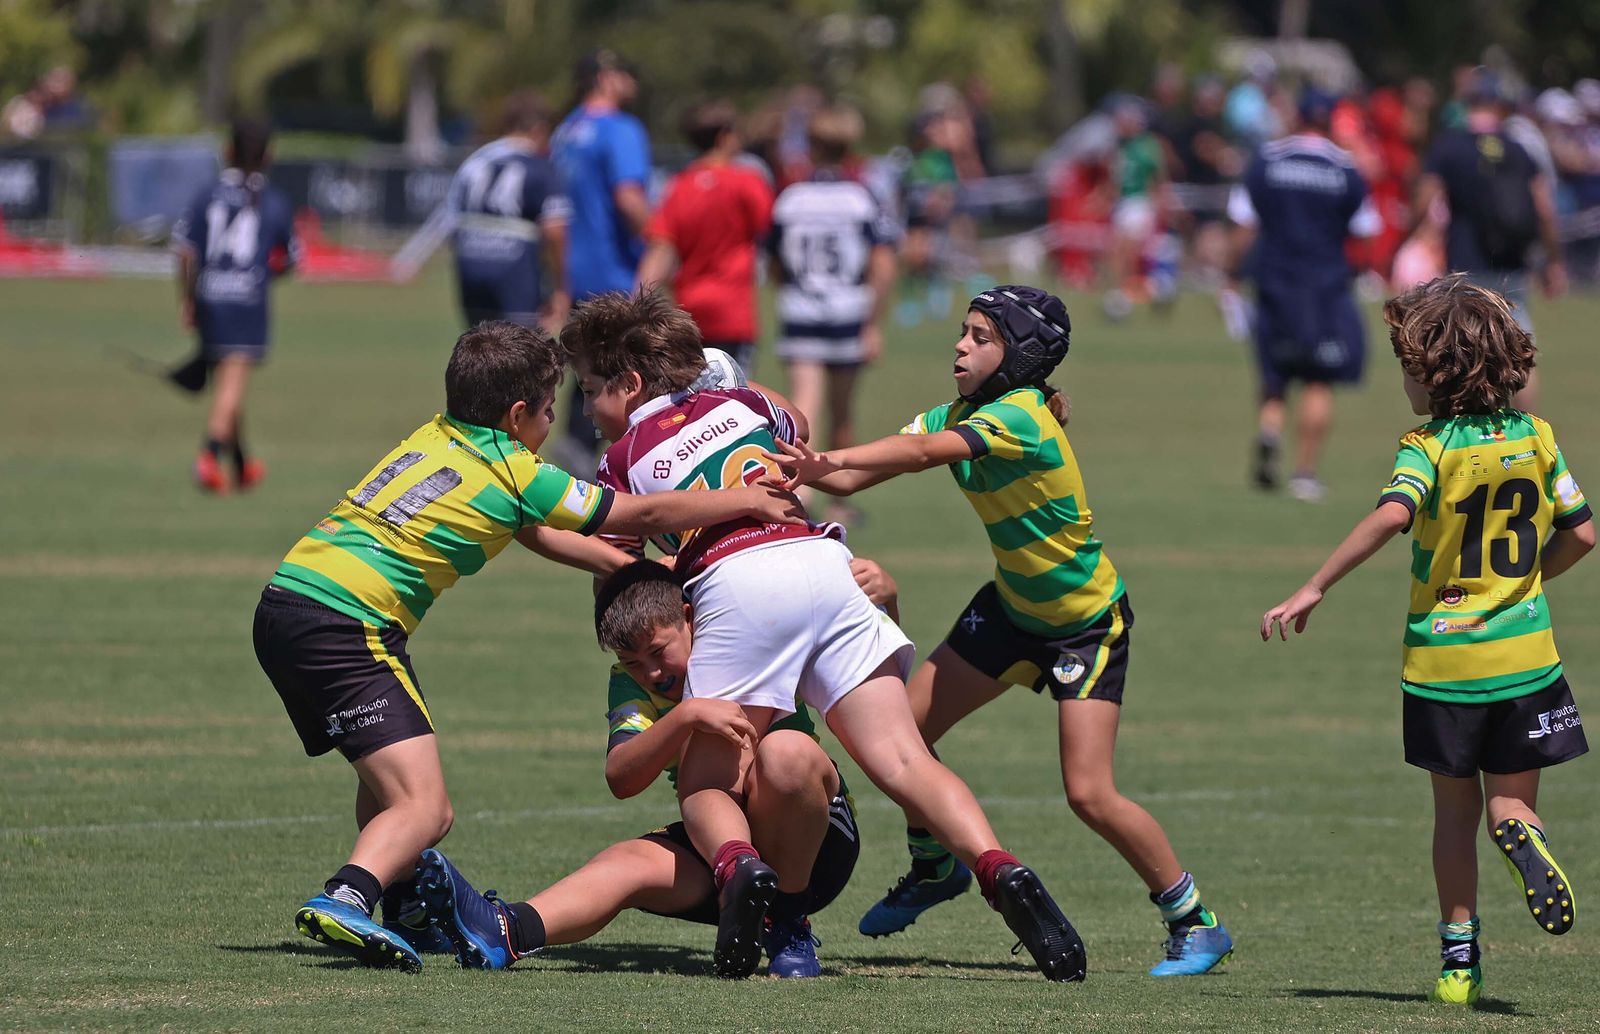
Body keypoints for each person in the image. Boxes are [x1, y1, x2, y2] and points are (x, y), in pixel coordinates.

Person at [564, 289, 1087, 983]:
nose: (586, 408)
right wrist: (730, 380)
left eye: (591, 389)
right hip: (825, 564)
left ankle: (742, 872)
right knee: (905, 760)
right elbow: (801, 423)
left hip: (739, 584)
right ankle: (999, 869)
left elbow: (614, 557)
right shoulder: (745, 404)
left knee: (708, 782)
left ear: (631, 384)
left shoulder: (623, 455)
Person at [254, 319, 808, 973]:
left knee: (386, 777)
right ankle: (347, 896)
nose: (557, 420)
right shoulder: (516, 470)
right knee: (427, 807)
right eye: (550, 410)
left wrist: (632, 570)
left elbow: (533, 531)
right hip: (349, 626)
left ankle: (405, 904)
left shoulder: (436, 436)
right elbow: (642, 513)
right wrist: (742, 499)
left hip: (288, 603)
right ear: (519, 415)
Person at [769, 285, 1233, 977]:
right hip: (1010, 610)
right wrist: (790, 469)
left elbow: (920, 454)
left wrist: (827, 463)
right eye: (963, 331)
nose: (960, 345)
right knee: (903, 735)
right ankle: (936, 866)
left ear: (1020, 356)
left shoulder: (1020, 417)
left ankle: (1195, 921)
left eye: (980, 337)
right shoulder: (960, 412)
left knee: (1089, 795)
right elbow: (873, 467)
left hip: (1083, 625)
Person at [1262, 274, 1592, 1005]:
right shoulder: (1536, 437)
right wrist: (1525, 583)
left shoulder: (1427, 447)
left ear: (1434, 373)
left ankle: (1458, 962)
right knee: (1510, 807)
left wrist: (1315, 584)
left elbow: (1392, 514)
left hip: (1444, 667)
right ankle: (1525, 836)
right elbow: (1584, 534)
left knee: (1453, 816)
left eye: (1407, 367)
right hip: (1527, 658)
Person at [416, 558, 883, 978]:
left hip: (817, 845)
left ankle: (789, 924)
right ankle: (507, 931)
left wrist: (885, 597)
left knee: (785, 754)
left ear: (689, 617)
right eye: (632, 662)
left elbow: (870, 669)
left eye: (658, 651)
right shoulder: (630, 685)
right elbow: (622, 777)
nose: (652, 673)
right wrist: (685, 715)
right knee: (627, 861)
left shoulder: (752, 634)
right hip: (722, 846)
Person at [1227, 88, 1384, 502]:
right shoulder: (1345, 169)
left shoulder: (1266, 161)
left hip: (1274, 280)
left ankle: (1269, 431)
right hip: (1324, 286)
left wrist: (1231, 272)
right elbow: (1367, 233)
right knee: (1318, 378)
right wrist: (1360, 270)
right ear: (1329, 121)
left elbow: (1243, 225)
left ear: (1296, 116)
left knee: (1275, 371)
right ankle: (1304, 473)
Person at [1413, 67, 1566, 410]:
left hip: (1466, 263)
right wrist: (1553, 261)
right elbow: (1544, 209)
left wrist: (1407, 238)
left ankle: (1470, 428)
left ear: (1467, 104)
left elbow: (1424, 200)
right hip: (1512, 263)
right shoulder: (1518, 149)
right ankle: (1526, 428)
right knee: (1519, 345)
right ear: (1499, 106)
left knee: (1463, 348)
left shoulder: (1449, 147)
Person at [769, 104, 898, 492]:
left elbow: (774, 261)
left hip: (800, 309)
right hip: (847, 310)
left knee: (802, 406)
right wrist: (873, 323)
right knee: (842, 413)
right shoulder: (860, 198)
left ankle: (798, 491)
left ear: (810, 147)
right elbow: (883, 265)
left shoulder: (790, 197)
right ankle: (841, 495)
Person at [169, 118, 299, 494]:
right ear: (268, 156)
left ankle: (242, 465)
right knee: (232, 385)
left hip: (209, 295)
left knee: (229, 385)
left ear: (228, 151)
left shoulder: (207, 194)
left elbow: (185, 251)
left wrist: (188, 298)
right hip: (247, 301)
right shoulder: (272, 200)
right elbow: (292, 257)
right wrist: (264, 274)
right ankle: (208, 457)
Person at [550, 48, 652, 473]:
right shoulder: (620, 128)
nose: (633, 81)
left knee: (588, 367)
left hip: (574, 270)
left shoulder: (566, 130)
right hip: (615, 269)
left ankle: (575, 450)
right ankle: (613, 466)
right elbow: (629, 197)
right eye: (626, 72)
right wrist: (664, 241)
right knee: (626, 371)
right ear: (606, 77)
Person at [636, 100, 774, 377]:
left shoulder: (678, 186)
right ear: (724, 136)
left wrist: (638, 299)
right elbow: (772, 230)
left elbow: (661, 248)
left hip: (689, 311)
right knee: (734, 394)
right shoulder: (746, 182)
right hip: (732, 312)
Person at [445, 90, 569, 333]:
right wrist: (561, 288)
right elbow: (555, 232)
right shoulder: (539, 167)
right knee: (521, 345)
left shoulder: (474, 161)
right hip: (514, 268)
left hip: (470, 262)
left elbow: (451, 220)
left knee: (479, 344)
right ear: (539, 129)